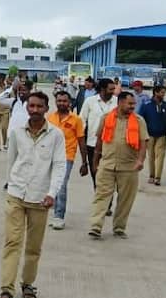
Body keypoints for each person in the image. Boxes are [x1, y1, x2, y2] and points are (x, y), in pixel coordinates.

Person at [0, 92, 64, 298]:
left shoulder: (56, 135)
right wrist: (10, 184)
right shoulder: (17, 132)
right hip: (16, 194)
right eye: (31, 106)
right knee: (12, 242)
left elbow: (59, 165)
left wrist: (52, 193)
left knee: (33, 247)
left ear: (46, 109)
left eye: (39, 106)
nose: (34, 110)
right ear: (27, 108)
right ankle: (6, 290)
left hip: (40, 198)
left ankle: (28, 283)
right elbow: (11, 160)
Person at [88, 91, 147, 239]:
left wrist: (140, 160)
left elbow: (143, 143)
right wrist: (95, 161)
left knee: (125, 200)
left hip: (129, 167)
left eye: (134, 104)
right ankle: (96, 226)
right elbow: (99, 141)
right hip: (107, 165)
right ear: (120, 103)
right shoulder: (106, 118)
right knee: (101, 196)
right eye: (130, 103)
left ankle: (119, 228)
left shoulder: (139, 121)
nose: (133, 106)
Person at [46, 91, 85, 230]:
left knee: (61, 185)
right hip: (50, 156)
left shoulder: (76, 119)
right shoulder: (50, 118)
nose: (62, 103)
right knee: (53, 185)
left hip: (67, 156)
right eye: (59, 101)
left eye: (64, 101)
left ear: (70, 103)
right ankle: (55, 212)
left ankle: (59, 216)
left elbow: (81, 140)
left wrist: (84, 162)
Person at [78, 78, 118, 187]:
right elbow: (82, 121)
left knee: (110, 178)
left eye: (114, 89)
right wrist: (81, 141)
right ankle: (100, 196)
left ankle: (107, 197)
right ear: (102, 89)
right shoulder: (90, 101)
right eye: (111, 89)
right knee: (96, 176)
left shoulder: (117, 102)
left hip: (112, 145)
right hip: (93, 145)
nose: (113, 91)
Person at [139, 86, 166, 186]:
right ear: (155, 93)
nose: (163, 95)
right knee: (151, 156)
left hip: (162, 134)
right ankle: (152, 175)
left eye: (164, 93)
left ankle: (158, 177)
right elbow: (140, 119)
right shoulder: (146, 105)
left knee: (160, 155)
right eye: (161, 92)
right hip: (149, 134)